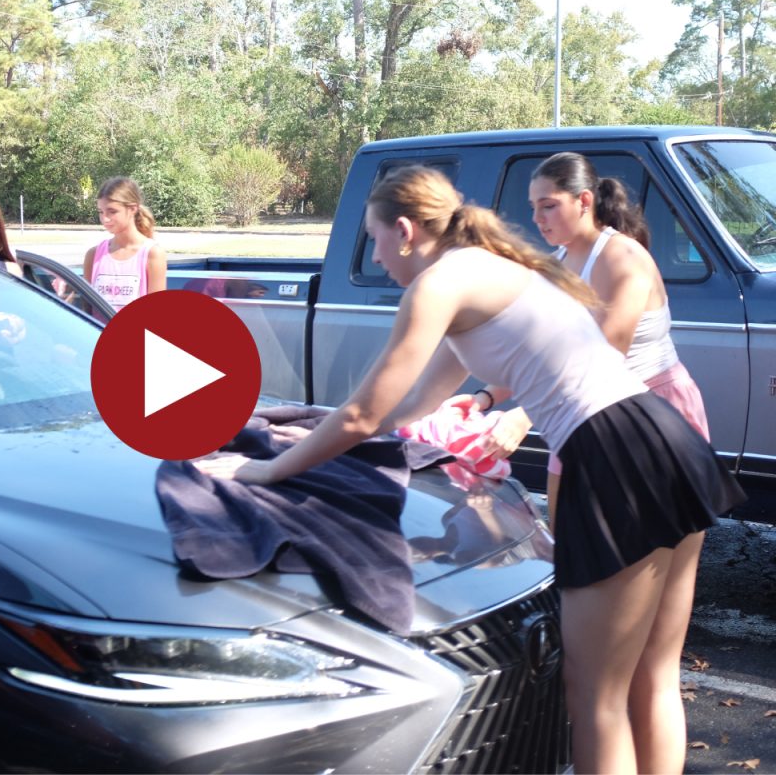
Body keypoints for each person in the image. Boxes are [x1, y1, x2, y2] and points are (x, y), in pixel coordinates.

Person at [193, 166, 743, 774]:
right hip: (662, 437)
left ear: (404, 230)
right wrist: (309, 431)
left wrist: (264, 474)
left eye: (373, 241)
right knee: (653, 675)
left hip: (610, 455)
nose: (376, 259)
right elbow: (407, 408)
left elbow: (363, 413)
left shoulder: (439, 285)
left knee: (596, 698)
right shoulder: (490, 269)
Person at [471, 152, 711, 518]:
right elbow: (537, 352)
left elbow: (606, 358)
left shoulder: (623, 257)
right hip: (582, 415)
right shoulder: (556, 265)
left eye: (548, 206)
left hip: (650, 414)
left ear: (584, 200)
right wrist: (483, 399)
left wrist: (524, 416)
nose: (536, 218)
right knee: (571, 543)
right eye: (534, 207)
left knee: (638, 558)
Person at [82, 177, 166, 308]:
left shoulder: (152, 253)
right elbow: (86, 308)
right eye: (101, 212)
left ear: (133, 209)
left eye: (112, 211)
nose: (105, 219)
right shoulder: (93, 255)